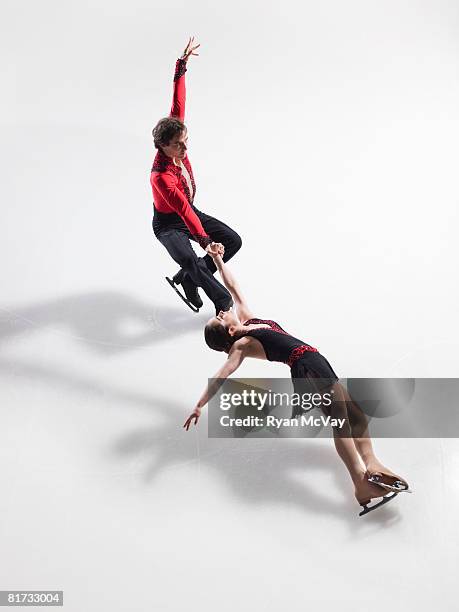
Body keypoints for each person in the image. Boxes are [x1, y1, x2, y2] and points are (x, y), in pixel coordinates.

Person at [183, 244, 411, 516]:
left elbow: (233, 287)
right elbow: (223, 374)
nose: (221, 311)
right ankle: (360, 483)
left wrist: (218, 261)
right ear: (229, 330)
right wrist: (200, 404)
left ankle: (371, 464)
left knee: (356, 415)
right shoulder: (242, 344)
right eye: (219, 318)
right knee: (340, 420)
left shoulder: (249, 320)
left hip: (315, 361)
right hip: (306, 368)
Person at [151, 37, 242, 314]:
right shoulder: (161, 177)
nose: (185, 146)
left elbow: (178, 99)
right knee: (191, 260)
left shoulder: (175, 130)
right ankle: (224, 306)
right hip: (169, 225)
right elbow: (182, 212)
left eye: (186, 139)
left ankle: (188, 281)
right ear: (164, 145)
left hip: (189, 210)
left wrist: (182, 64)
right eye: (179, 144)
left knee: (232, 241)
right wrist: (205, 242)